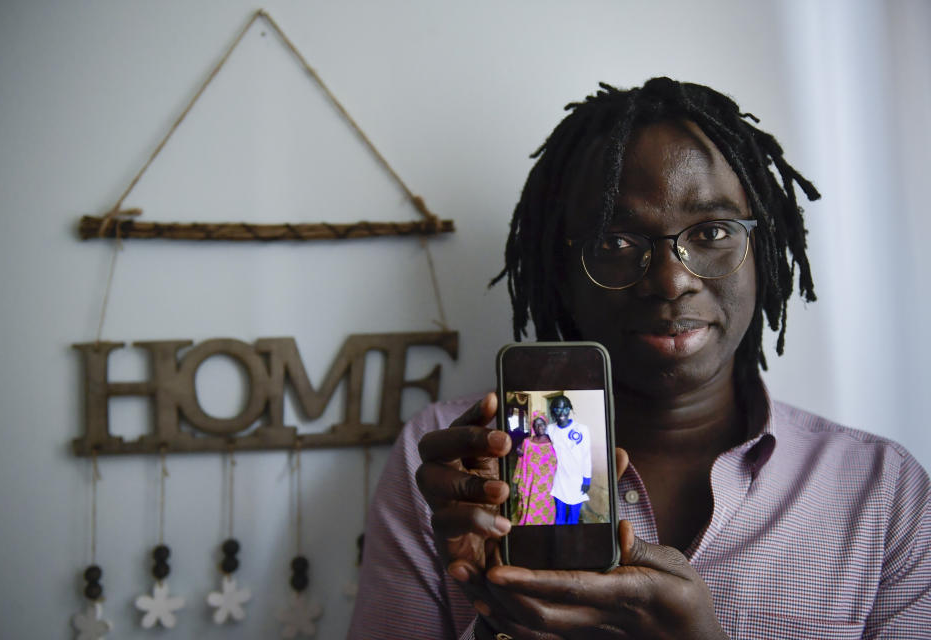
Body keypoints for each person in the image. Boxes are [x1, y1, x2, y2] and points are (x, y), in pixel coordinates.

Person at [348, 78, 931, 639]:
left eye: (712, 231)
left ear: (763, 248)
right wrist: (503, 619)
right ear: (561, 269)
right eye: (616, 242)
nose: (673, 280)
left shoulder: (882, 491)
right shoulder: (457, 463)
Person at [544, 395, 591, 525]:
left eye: (565, 409)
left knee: (573, 517)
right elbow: (540, 444)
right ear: (553, 410)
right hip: (558, 479)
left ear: (570, 409)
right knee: (559, 515)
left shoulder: (581, 429)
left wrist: (587, 479)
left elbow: (586, 456)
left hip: (577, 479)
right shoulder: (550, 429)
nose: (562, 413)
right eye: (558, 409)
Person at [510, 411, 556, 526]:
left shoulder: (553, 443)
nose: (540, 427)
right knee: (529, 508)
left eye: (542, 424)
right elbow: (521, 463)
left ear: (546, 425)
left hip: (547, 487)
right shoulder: (527, 442)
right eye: (536, 424)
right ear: (532, 427)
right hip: (529, 484)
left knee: (545, 511)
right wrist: (516, 482)